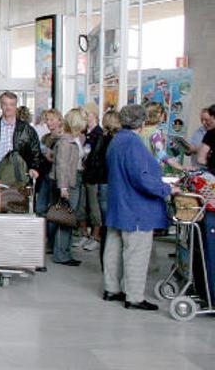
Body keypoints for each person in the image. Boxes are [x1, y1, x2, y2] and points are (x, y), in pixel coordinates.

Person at [103, 104, 178, 311]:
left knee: (114, 248)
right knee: (136, 252)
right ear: (143, 122)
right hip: (135, 208)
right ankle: (134, 297)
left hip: (118, 203)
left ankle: (111, 289)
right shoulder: (133, 144)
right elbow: (142, 178)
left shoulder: (117, 140)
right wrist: (166, 189)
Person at [0, 91, 43, 182]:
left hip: (20, 176)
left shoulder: (27, 129)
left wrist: (34, 167)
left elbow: (35, 151)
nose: (8, 107)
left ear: (15, 106)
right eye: (5, 104)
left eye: (12, 104)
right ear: (1, 105)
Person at [51, 108, 88, 267]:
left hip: (75, 180)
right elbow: (62, 166)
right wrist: (63, 187)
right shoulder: (66, 142)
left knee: (68, 219)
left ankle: (65, 252)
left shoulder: (75, 139)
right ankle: (61, 254)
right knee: (64, 219)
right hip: (68, 183)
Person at [84, 109, 120, 268]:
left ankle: (105, 257)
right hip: (108, 181)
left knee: (104, 218)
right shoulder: (117, 141)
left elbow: (94, 158)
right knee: (108, 221)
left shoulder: (103, 138)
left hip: (102, 180)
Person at [78, 105, 104, 251]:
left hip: (93, 176)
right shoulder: (84, 133)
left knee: (94, 207)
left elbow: (95, 157)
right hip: (83, 175)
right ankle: (84, 234)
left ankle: (96, 236)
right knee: (81, 207)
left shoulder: (98, 134)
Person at [195, 104, 215, 173]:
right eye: (202, 120)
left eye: (207, 120)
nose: (205, 123)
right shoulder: (198, 132)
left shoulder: (210, 133)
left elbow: (201, 159)